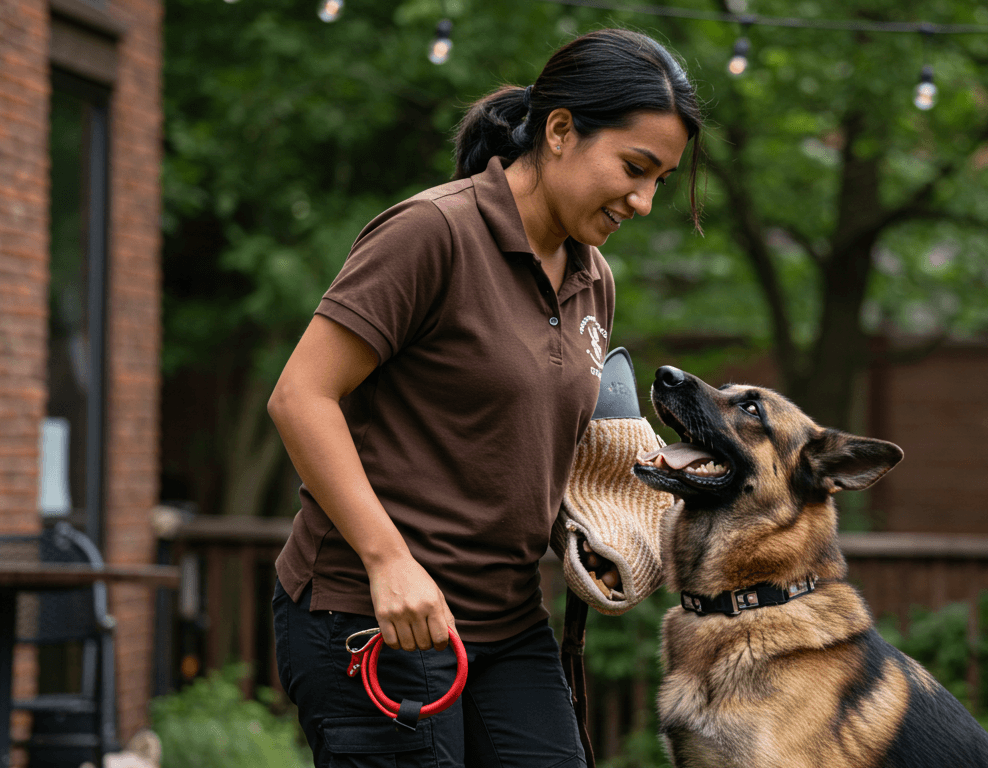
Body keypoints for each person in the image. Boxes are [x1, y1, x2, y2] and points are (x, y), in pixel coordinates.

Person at [268, 28, 703, 768]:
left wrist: (614, 516)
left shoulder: (592, 277)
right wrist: (388, 561)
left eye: (661, 178)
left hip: (508, 622)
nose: (646, 200)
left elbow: (530, 435)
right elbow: (301, 396)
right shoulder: (434, 233)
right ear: (560, 130)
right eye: (635, 168)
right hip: (375, 612)